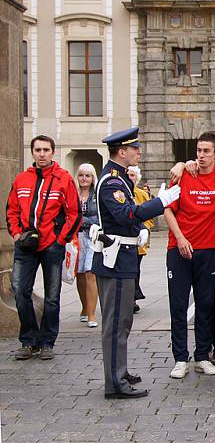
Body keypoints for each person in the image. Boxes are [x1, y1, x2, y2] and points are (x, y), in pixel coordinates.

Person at [92, 127, 179, 398]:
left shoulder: (120, 179)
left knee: (123, 320)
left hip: (123, 257)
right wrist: (159, 203)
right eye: (134, 149)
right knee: (116, 323)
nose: (138, 152)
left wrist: (140, 226)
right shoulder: (111, 182)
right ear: (122, 151)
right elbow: (124, 213)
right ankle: (115, 382)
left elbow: (127, 218)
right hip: (115, 260)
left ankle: (120, 370)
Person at [163, 132, 215, 379]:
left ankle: (201, 356)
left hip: (209, 251)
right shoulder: (184, 175)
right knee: (178, 304)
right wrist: (181, 238)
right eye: (198, 151)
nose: (202, 156)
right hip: (180, 249)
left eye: (207, 151)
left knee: (206, 305)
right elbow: (167, 210)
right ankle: (179, 358)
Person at [7, 135, 81, 361]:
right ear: (32, 153)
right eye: (38, 150)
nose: (42, 154)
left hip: (52, 245)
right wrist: (18, 234)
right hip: (26, 245)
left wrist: (61, 239)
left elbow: (74, 213)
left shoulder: (64, 179)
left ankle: (47, 342)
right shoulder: (21, 179)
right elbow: (11, 209)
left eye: (46, 150)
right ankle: (28, 341)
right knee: (20, 292)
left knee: (52, 296)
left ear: (52, 152)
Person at [74, 163, 100, 328]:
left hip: (92, 237)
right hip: (76, 238)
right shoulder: (73, 194)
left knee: (91, 273)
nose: (84, 178)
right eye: (81, 175)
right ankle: (84, 307)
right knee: (80, 274)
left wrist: (80, 221)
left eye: (87, 175)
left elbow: (99, 218)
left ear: (92, 178)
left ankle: (92, 313)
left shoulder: (96, 195)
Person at [127, 165, 153, 312]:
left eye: (133, 175)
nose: (131, 178)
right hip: (125, 237)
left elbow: (149, 216)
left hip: (139, 239)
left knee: (135, 269)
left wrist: (144, 228)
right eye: (129, 175)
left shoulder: (141, 194)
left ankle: (133, 298)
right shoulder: (121, 193)